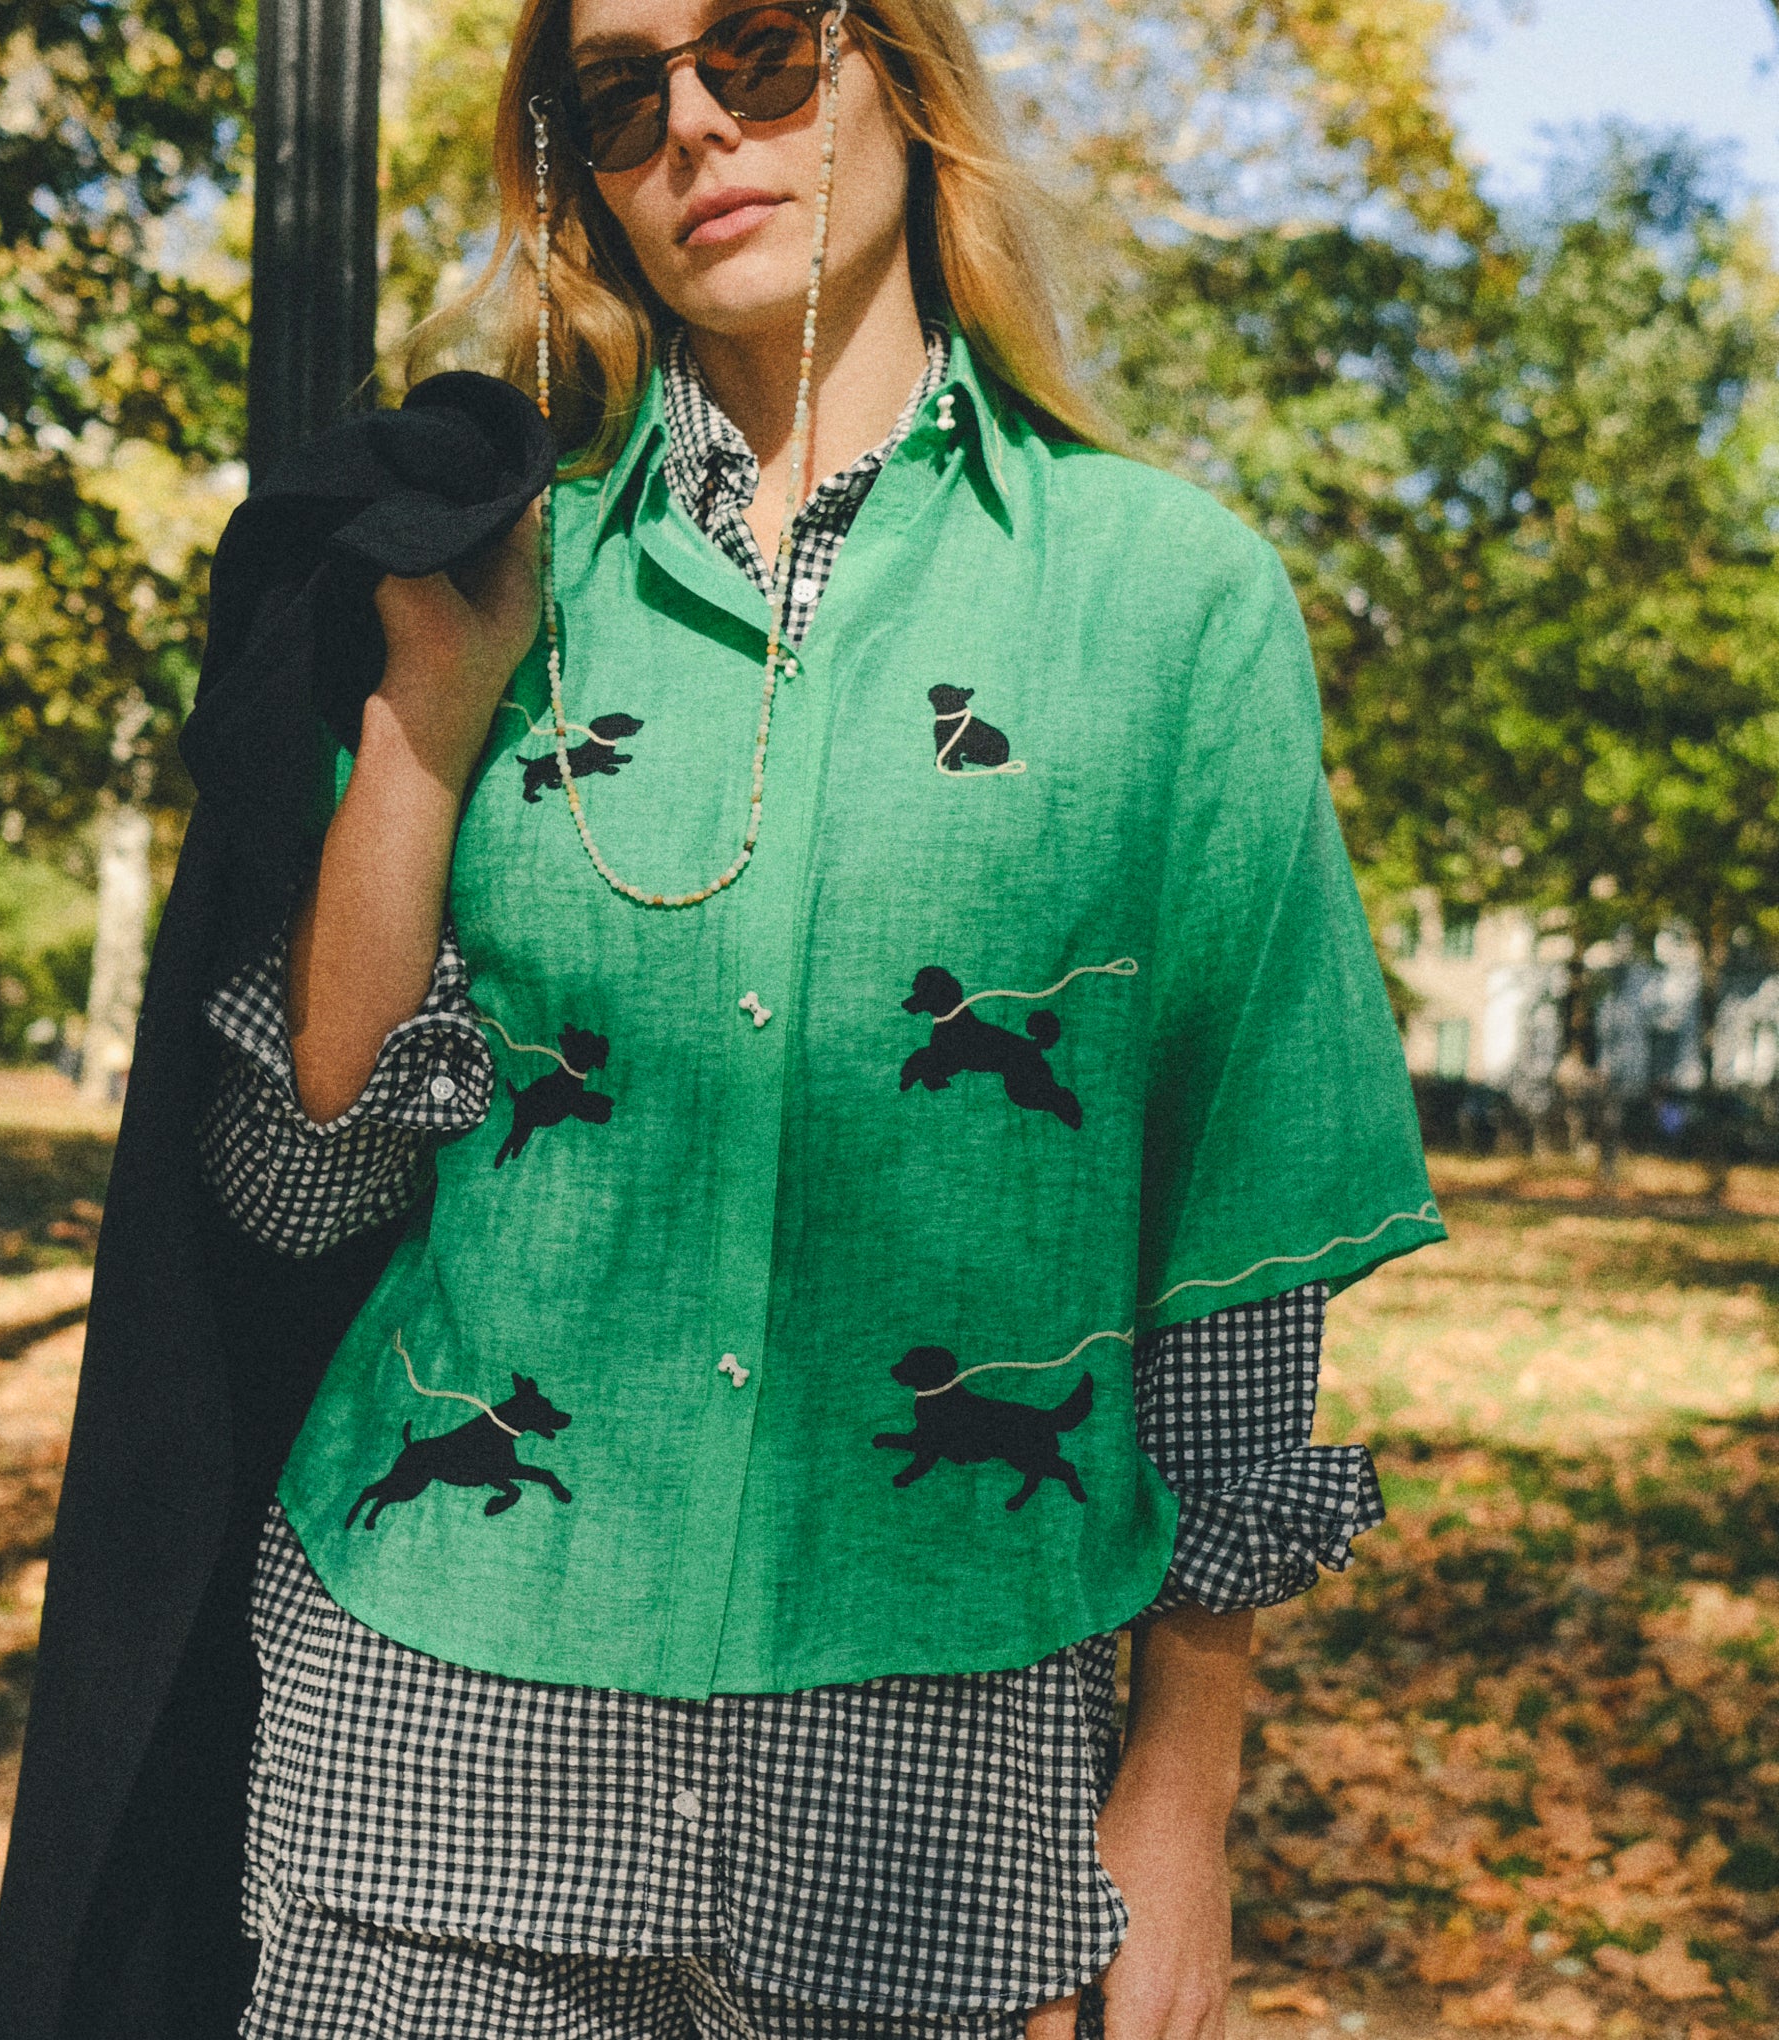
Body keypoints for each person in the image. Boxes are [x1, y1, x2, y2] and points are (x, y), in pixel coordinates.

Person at [189, 0, 1445, 2033]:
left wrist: (1183, 1794)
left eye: (758, 51)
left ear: (901, 74)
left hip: (934, 1816)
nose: (694, 125)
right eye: (619, 95)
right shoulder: (478, 562)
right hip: (439, 1765)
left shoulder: (1169, 603)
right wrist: (426, 716)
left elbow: (1232, 1230)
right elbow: (298, 1183)